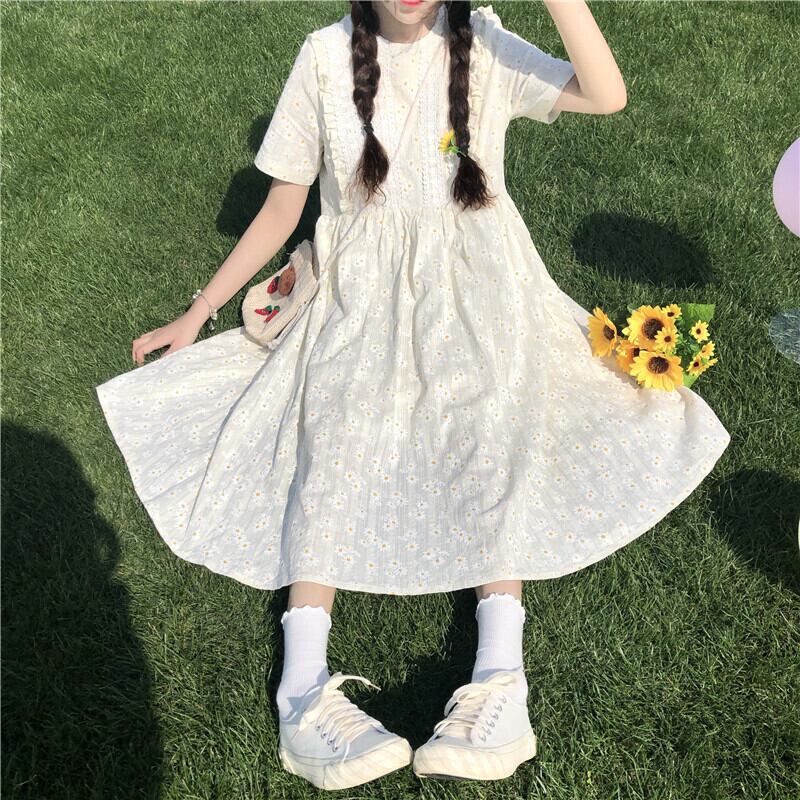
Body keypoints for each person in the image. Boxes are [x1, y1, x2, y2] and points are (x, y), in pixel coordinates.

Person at [95, 0, 731, 790]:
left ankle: (501, 681)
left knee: (490, 423)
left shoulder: (483, 42)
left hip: (482, 283)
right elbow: (284, 204)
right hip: (359, 292)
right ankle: (303, 691)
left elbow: (605, 94)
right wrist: (198, 311)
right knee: (332, 433)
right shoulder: (324, 57)